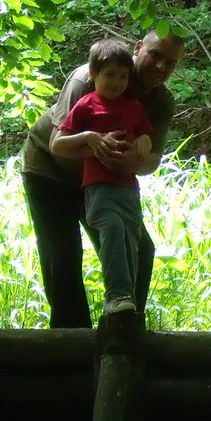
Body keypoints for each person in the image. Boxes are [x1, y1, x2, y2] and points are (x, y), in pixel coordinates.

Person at [20, 29, 184, 327]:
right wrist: (101, 150)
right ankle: (70, 345)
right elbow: (59, 145)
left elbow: (151, 161)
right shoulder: (88, 77)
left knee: (138, 248)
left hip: (102, 181)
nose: (161, 66)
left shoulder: (161, 102)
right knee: (63, 255)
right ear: (138, 48)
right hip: (48, 170)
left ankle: (122, 332)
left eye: (170, 63)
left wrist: (129, 163)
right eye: (155, 55)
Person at [48, 39, 154, 315]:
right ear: (93, 74)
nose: (117, 82)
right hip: (98, 186)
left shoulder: (134, 108)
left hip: (129, 188)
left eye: (123, 76)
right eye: (109, 75)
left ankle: (126, 302)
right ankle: (117, 294)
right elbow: (57, 144)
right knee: (113, 229)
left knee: (131, 235)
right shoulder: (85, 105)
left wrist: (143, 142)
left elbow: (146, 136)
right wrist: (89, 138)